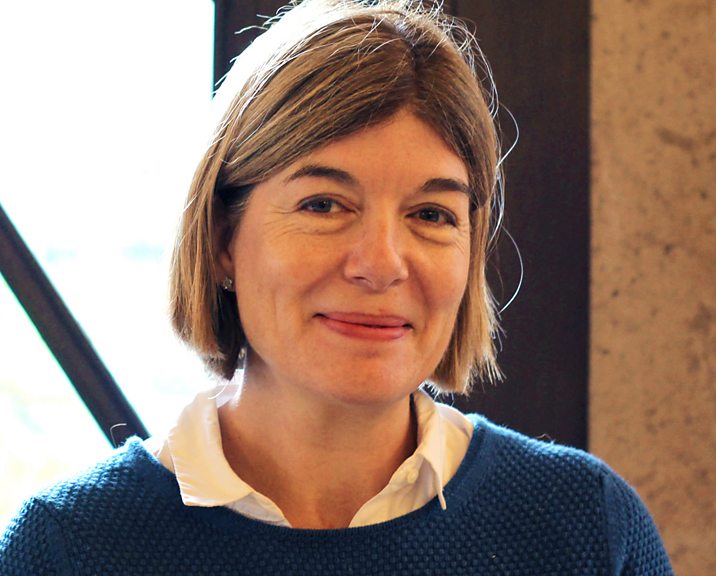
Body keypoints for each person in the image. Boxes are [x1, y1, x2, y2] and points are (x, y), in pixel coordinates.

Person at [0, 1, 673, 573]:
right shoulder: (66, 549)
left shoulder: (587, 529)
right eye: (324, 205)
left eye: (430, 214)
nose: (381, 264)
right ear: (222, 238)